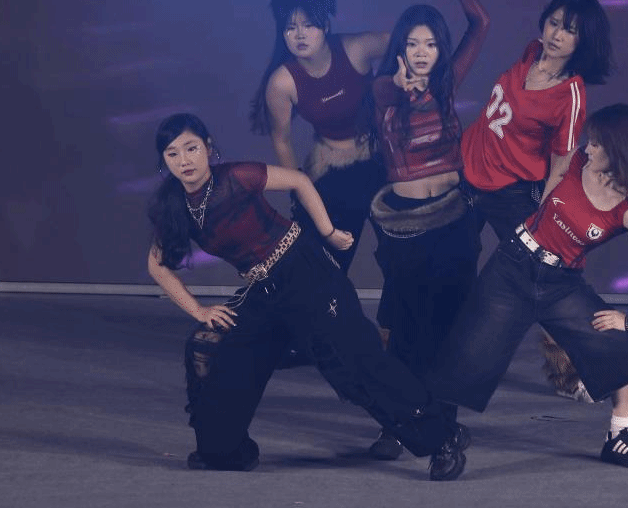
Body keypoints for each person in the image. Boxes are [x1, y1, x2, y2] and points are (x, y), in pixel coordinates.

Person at [145, 113, 469, 480]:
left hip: (305, 272)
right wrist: (198, 310)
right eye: (173, 154)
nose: (184, 161)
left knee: (354, 363)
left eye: (191, 148)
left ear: (207, 147)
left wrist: (328, 232)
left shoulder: (237, 176)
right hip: (261, 291)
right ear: (164, 161)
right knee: (207, 346)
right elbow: (157, 266)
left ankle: (442, 437)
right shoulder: (174, 206)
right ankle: (224, 448)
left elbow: (299, 180)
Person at [428, 103, 628, 469]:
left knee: (621, 345)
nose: (589, 148)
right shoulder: (577, 162)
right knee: (467, 352)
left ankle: (621, 436)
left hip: (560, 284)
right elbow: (544, 166)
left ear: (619, 150)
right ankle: (444, 439)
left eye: (597, 144)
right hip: (511, 267)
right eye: (590, 141)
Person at [360, 0, 490, 460]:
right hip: (405, 225)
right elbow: (387, 99)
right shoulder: (382, 89)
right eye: (412, 43)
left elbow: (481, 24)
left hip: (454, 220)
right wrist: (399, 89)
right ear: (400, 47)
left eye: (431, 44)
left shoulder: (447, 83)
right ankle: (399, 423)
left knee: (450, 326)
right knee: (407, 327)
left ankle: (443, 426)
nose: (421, 52)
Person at [459, 0, 613, 400]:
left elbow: (562, 165)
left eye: (570, 30)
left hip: (511, 192)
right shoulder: (531, 52)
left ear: (584, 40)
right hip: (467, 176)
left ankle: (573, 371)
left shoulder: (571, 94)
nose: (556, 34)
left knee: (542, 280)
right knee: (450, 267)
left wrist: (542, 220)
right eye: (554, 22)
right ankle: (441, 358)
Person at [249, 0, 388, 273]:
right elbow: (282, 140)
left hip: (382, 159)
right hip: (334, 169)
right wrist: (299, 191)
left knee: (403, 249)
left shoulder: (356, 48)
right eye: (290, 28)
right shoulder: (282, 82)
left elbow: (406, 42)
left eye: (308, 25)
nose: (299, 35)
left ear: (325, 26)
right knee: (323, 265)